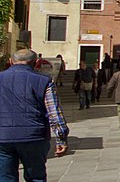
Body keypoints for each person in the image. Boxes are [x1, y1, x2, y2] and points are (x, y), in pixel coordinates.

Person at [0, 48, 69, 181]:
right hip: (34, 136)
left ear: (11, 61)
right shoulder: (45, 81)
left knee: (5, 178)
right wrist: (61, 138)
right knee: (36, 178)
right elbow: (54, 112)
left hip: (3, 137)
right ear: (36, 62)